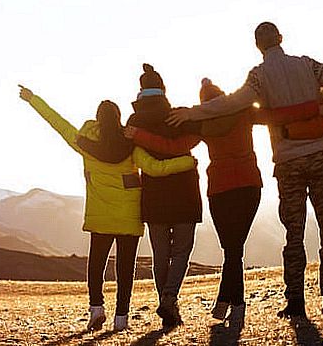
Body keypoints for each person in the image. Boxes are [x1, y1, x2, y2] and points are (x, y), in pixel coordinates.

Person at [166, 21, 323, 319]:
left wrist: (193, 112)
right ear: (281, 38)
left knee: (294, 233)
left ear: (258, 45)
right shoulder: (307, 66)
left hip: (288, 163)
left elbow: (229, 105)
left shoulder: (258, 77)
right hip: (320, 156)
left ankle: (296, 302)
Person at [17, 84, 197, 332]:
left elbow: (57, 122)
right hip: (129, 216)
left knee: (97, 264)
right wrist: (186, 162)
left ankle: (96, 309)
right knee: (125, 269)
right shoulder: (131, 145)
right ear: (119, 119)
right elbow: (156, 168)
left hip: (100, 216)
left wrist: (33, 99)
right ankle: (121, 319)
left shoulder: (83, 142)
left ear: (98, 120)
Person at [127, 77, 265, 325]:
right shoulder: (236, 114)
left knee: (165, 253)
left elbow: (170, 147)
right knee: (220, 251)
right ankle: (223, 304)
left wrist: (139, 136)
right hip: (235, 186)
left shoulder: (199, 122)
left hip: (214, 189)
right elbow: (268, 113)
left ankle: (189, 301)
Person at [124, 64, 203, 330]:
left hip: (154, 197)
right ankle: (170, 298)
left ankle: (165, 299)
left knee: (161, 252)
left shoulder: (134, 123)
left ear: (141, 92)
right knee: (181, 250)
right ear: (163, 90)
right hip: (184, 194)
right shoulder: (179, 117)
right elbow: (195, 137)